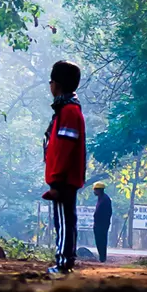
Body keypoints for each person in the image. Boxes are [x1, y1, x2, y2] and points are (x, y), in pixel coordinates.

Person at [42, 59, 86, 278]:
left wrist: (56, 180)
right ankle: (64, 261)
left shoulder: (68, 112)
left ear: (57, 84)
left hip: (64, 179)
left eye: (51, 81)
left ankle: (63, 264)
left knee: (65, 222)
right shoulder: (66, 110)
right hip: (63, 177)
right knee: (65, 220)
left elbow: (64, 148)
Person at [92, 181, 113, 263]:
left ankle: (102, 257)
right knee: (99, 240)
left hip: (102, 224)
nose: (94, 192)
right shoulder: (101, 198)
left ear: (99, 190)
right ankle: (101, 257)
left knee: (101, 240)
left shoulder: (105, 199)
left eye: (95, 190)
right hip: (99, 223)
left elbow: (108, 212)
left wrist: (104, 222)